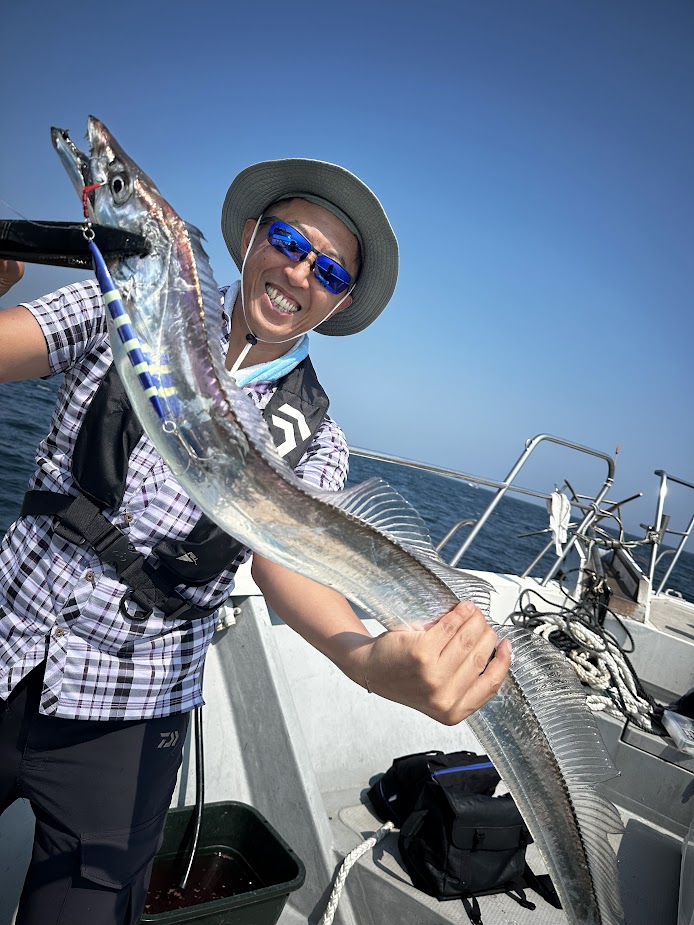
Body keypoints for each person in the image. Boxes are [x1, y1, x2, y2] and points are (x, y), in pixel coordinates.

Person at [0, 158, 512, 925]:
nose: (299, 270)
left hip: (129, 716)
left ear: (335, 301)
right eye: (288, 240)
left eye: (329, 269)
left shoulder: (318, 439)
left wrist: (364, 658)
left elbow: (286, 564)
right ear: (248, 238)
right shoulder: (130, 295)